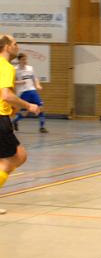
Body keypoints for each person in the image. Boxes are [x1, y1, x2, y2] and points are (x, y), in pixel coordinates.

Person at [0, 35, 41, 215]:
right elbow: (6, 95)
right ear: (7, 47)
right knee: (17, 156)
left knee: (10, 158)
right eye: (15, 43)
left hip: (4, 116)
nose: (17, 46)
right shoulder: (6, 66)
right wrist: (28, 105)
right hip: (0, 118)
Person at [13, 52, 48, 133]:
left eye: (26, 59)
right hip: (23, 92)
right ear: (19, 60)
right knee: (25, 112)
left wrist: (38, 85)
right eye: (23, 59)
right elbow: (12, 81)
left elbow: (35, 78)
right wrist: (19, 82)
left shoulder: (30, 68)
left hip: (32, 91)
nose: (25, 61)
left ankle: (42, 127)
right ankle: (15, 121)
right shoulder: (15, 69)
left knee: (40, 107)